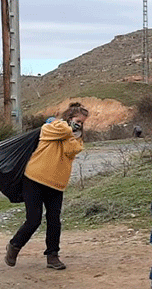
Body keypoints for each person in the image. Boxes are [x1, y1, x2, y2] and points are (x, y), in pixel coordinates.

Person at [5, 102, 90, 270]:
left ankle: (52, 256)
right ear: (69, 118)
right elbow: (56, 128)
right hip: (34, 179)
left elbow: (71, 149)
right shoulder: (51, 127)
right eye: (78, 121)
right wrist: (68, 128)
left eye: (82, 123)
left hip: (57, 184)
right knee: (33, 219)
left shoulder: (74, 137)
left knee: (54, 221)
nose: (79, 125)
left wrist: (74, 133)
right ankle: (14, 246)